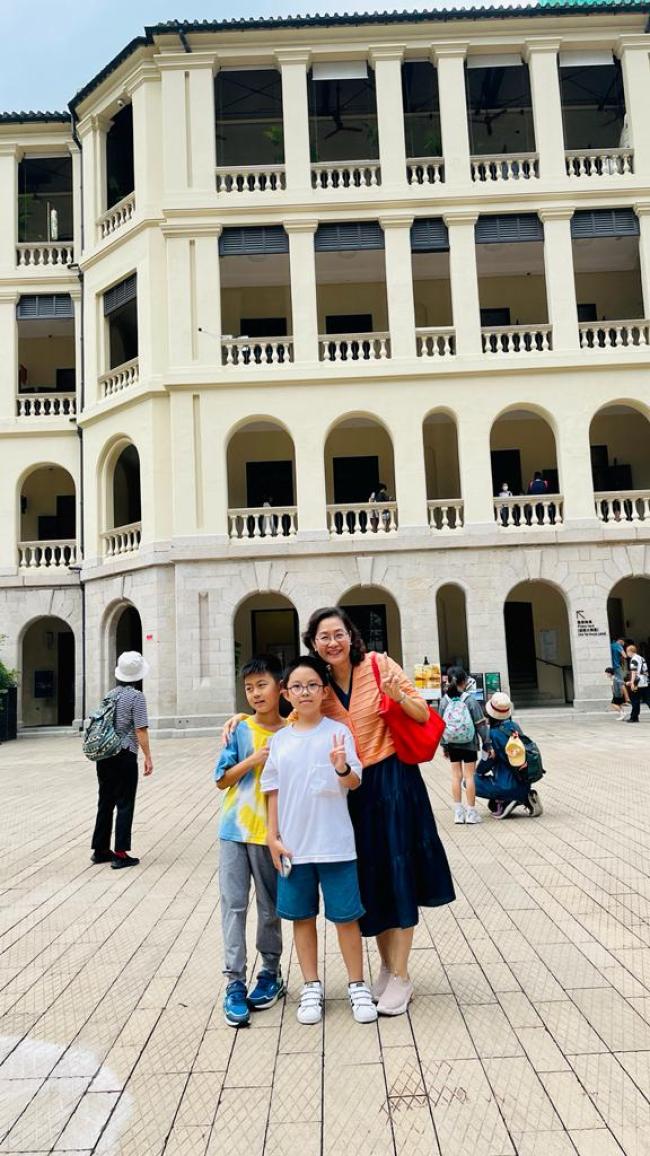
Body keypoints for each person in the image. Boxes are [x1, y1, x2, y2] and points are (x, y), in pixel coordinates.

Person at [224, 607, 455, 1017]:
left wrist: (400, 697)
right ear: (313, 644)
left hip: (394, 781)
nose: (332, 643)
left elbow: (423, 714)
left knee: (400, 874)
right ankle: (385, 967)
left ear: (351, 635)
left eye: (338, 634)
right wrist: (244, 718)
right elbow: (289, 719)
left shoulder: (379, 665)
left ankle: (401, 974)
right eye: (323, 637)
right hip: (354, 791)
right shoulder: (320, 684)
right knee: (373, 880)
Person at [261, 655, 377, 1027]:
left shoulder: (338, 732)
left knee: (347, 918)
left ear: (324, 691)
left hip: (336, 844)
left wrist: (341, 766)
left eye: (312, 685)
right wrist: (272, 836)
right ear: (286, 693)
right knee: (301, 917)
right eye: (297, 686)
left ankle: (357, 984)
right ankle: (311, 985)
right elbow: (272, 790)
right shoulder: (280, 741)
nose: (305, 692)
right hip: (294, 848)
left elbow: (354, 781)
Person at [214, 655, 286, 1027]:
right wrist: (254, 759)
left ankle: (271, 973)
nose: (256, 693)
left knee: (270, 907)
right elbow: (221, 778)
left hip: (271, 835)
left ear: (280, 688)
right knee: (234, 906)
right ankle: (234, 982)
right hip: (234, 831)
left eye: (262, 685)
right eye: (249, 688)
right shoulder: (240, 730)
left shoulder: (292, 730)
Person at [90, 651, 153, 869]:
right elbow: (140, 729)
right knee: (125, 802)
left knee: (105, 800)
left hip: (105, 754)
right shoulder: (137, 697)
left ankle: (100, 850)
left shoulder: (110, 694)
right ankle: (120, 853)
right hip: (125, 753)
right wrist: (148, 756)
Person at [474, 692, 543, 818]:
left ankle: (505, 800)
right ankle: (524, 797)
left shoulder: (492, 734)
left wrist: (478, 771)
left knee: (470, 781)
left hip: (506, 785)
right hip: (524, 781)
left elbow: (485, 764)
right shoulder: (515, 727)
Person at [438, 667, 491, 825]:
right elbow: (480, 724)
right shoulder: (470, 700)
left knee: (456, 776)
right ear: (464, 682)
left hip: (452, 743)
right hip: (469, 743)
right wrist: (487, 743)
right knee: (469, 776)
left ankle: (458, 813)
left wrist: (444, 745)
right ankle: (471, 813)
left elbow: (440, 725)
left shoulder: (444, 701)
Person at [626, 644, 650, 723]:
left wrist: (632, 682)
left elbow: (634, 671)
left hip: (637, 682)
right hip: (645, 681)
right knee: (648, 699)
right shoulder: (641, 658)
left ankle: (634, 717)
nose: (627, 654)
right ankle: (634, 717)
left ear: (630, 651)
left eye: (627, 652)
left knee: (635, 700)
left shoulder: (634, 659)